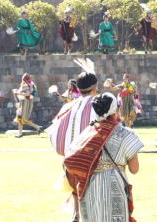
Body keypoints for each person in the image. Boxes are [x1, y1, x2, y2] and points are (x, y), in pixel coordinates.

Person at [64, 93, 143, 222]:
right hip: (115, 189)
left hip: (89, 191)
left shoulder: (86, 135)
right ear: (114, 111)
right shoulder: (127, 134)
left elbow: (70, 161)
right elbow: (134, 169)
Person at [47, 59, 99, 220]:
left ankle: (76, 215)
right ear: (95, 88)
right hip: (93, 160)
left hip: (70, 160)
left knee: (77, 189)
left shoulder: (68, 107)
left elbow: (54, 131)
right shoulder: (98, 105)